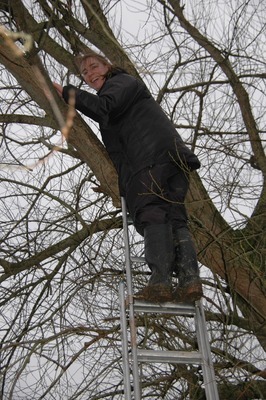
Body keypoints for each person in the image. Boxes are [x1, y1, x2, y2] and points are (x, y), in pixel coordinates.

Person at [53, 51, 203, 303]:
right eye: (84, 73)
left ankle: (160, 282)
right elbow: (119, 150)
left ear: (108, 65)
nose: (90, 74)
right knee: (175, 218)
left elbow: (104, 107)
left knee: (152, 212)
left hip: (151, 156)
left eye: (94, 66)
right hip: (169, 159)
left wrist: (69, 93)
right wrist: (125, 186)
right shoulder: (120, 90)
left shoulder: (121, 82)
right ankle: (190, 280)